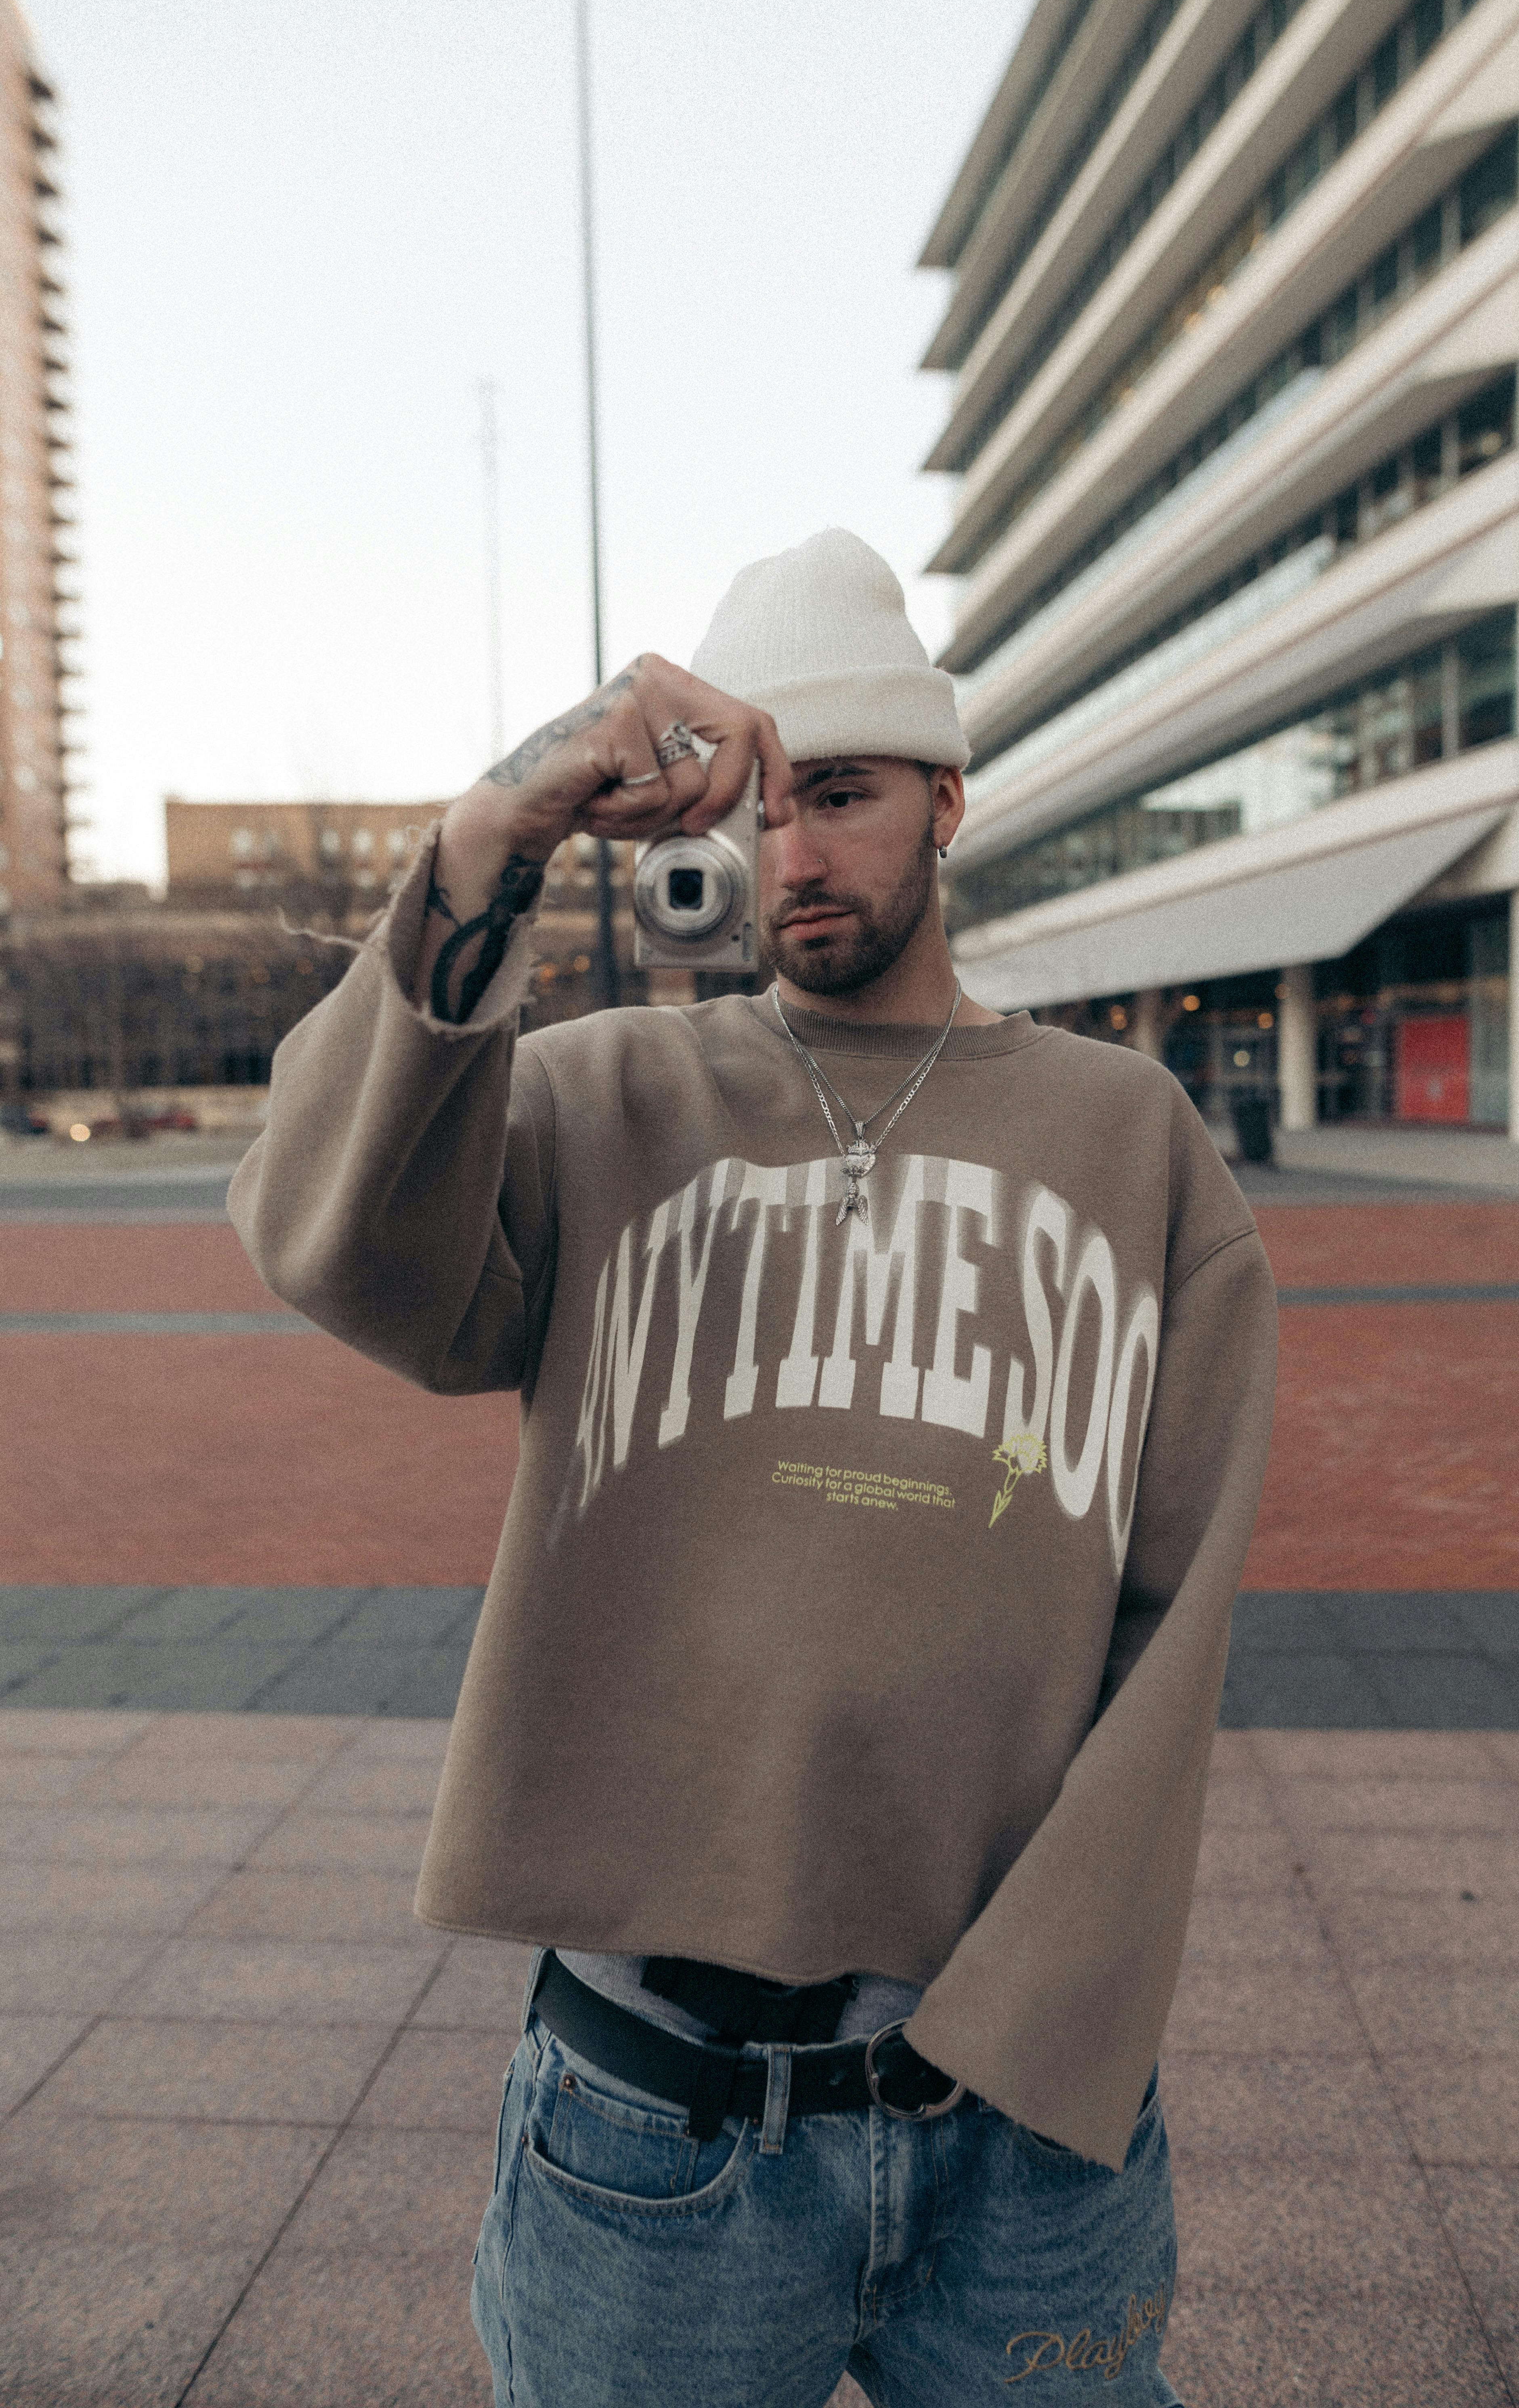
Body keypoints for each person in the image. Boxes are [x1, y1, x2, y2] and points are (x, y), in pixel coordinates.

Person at [230, 529, 1276, 2407]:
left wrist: (1049, 2035)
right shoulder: (596, 1097)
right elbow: (331, 1239)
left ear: (950, 800)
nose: (800, 855)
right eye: (766, 804)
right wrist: (495, 839)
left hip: (1023, 2129)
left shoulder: (1132, 1143)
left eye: (851, 796)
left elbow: (1172, 1612)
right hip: (654, 2123)